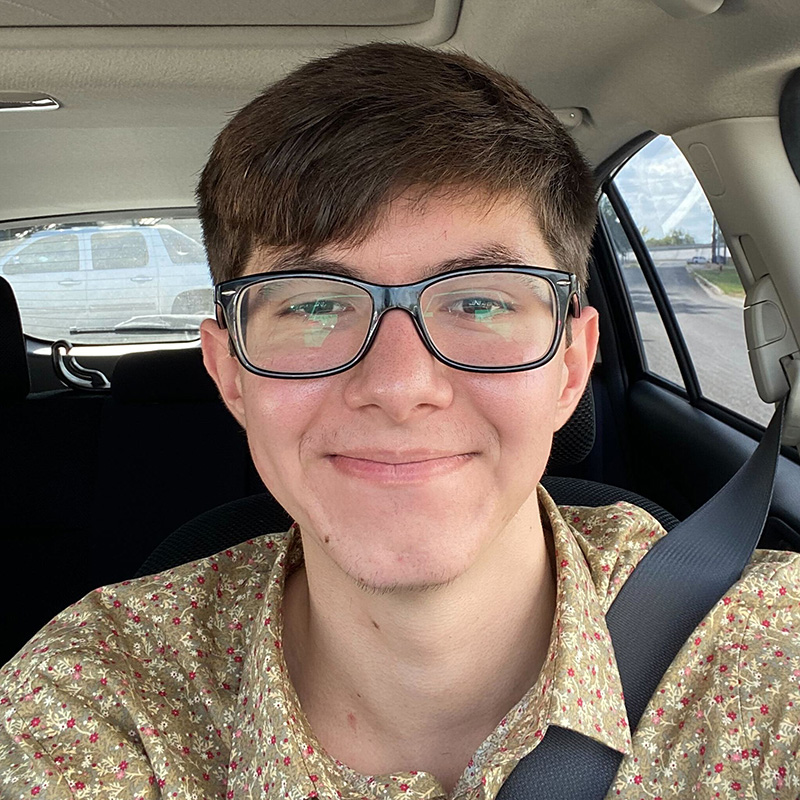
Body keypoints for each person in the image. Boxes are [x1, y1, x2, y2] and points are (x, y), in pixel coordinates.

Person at [1, 42, 798, 800]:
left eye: (480, 301)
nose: (399, 384)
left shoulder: (761, 654)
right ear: (231, 375)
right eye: (316, 304)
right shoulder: (99, 696)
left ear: (568, 366)